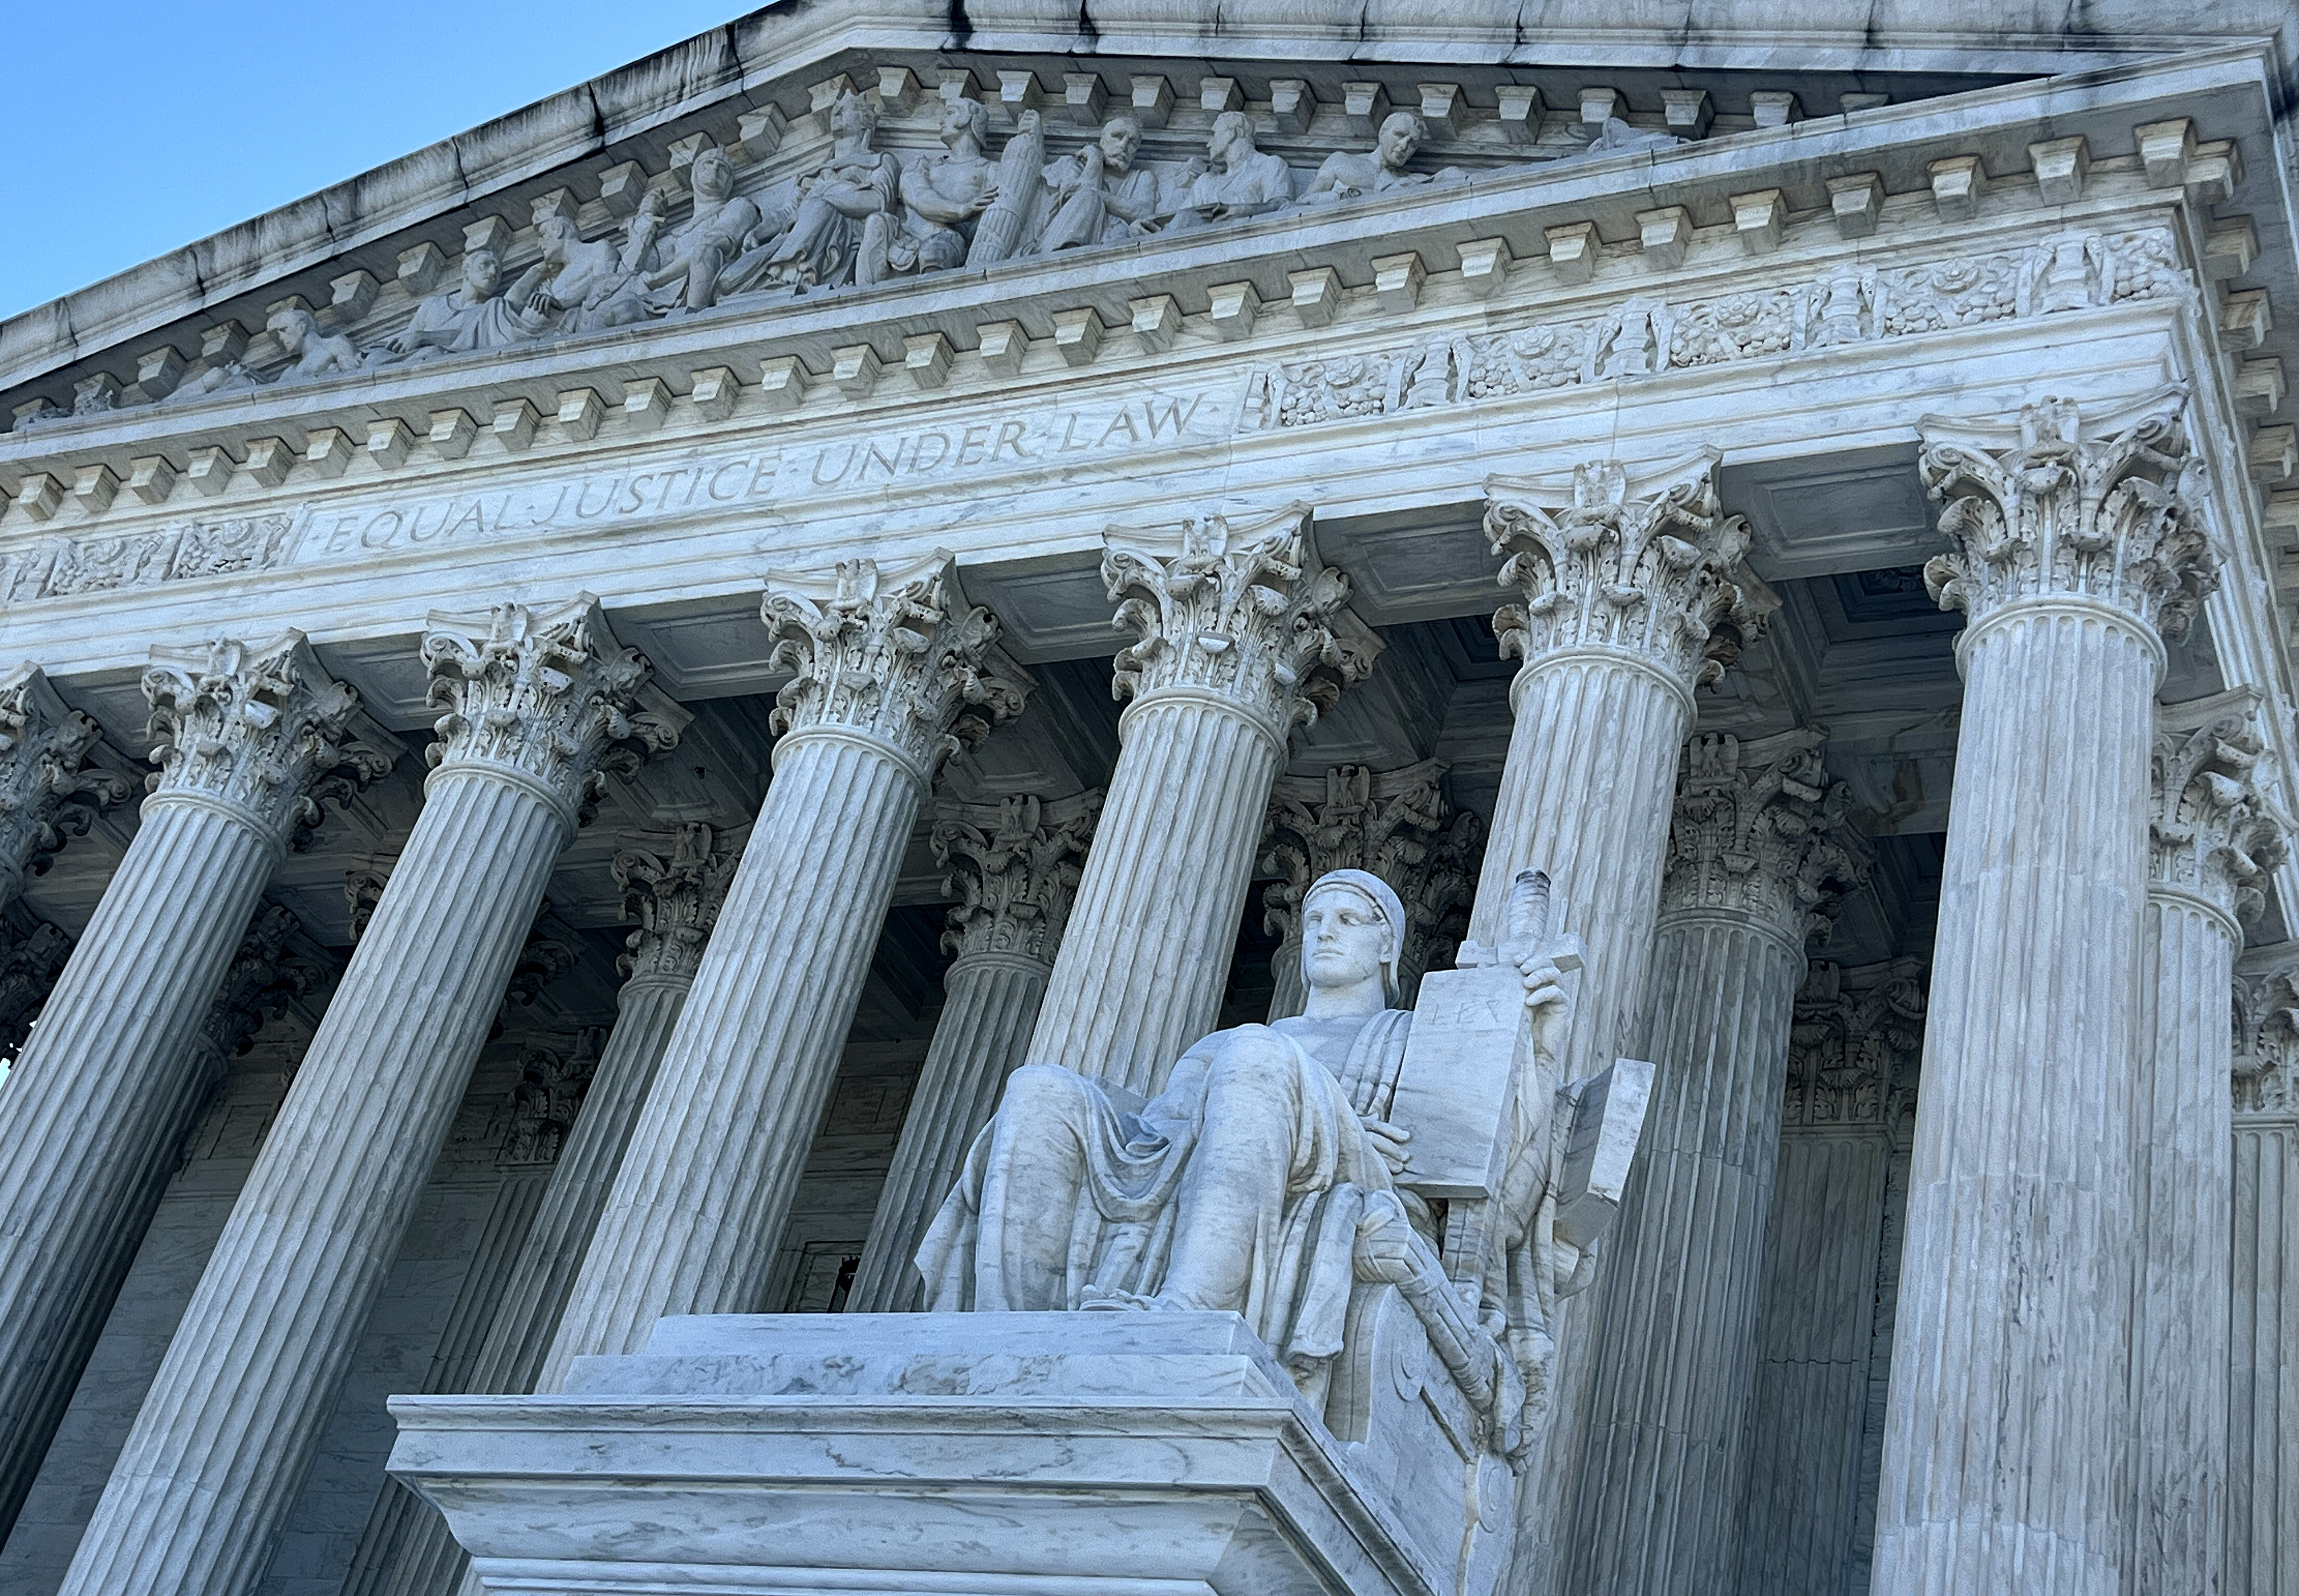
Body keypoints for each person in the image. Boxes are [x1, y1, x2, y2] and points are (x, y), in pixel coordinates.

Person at [919, 867, 1569, 1428]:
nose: (1323, 930)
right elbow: (1159, 1149)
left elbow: (1495, 1197)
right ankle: (1013, 1333)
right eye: (1312, 918)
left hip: (1358, 1182)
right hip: (1209, 1170)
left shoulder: (1412, 1037)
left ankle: (1190, 1310)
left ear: (1387, 946)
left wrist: (1534, 1052)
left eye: (1347, 918)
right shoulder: (1228, 1047)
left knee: (1257, 1054)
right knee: (1040, 1088)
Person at [859, 96, 997, 285]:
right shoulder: (923, 165)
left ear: (967, 119)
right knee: (877, 221)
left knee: (936, 250)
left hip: (949, 239)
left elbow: (994, 215)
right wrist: (961, 209)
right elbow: (917, 196)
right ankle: (863, 297)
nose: (942, 121)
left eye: (950, 114)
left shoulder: (990, 170)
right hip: (908, 234)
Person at [368, 247, 537, 363]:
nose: (493, 273)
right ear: (466, 272)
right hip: (409, 366)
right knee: (374, 358)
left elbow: (465, 337)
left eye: (498, 271)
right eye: (485, 265)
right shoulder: (434, 304)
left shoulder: (491, 311)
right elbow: (405, 337)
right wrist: (367, 350)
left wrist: (425, 337)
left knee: (432, 352)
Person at [1035, 112, 1160, 253]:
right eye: (1117, 137)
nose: (1123, 146)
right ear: (1102, 141)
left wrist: (1099, 195)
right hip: (1054, 242)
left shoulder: (1143, 177)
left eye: (1132, 143)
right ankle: (1068, 255)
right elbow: (1081, 195)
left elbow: (1142, 211)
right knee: (1089, 197)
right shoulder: (1072, 165)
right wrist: (1095, 160)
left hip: (1112, 248)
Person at [1160, 109, 1294, 232]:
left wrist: (1247, 210)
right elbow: (1180, 219)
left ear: (1233, 133)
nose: (1209, 144)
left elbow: (1282, 205)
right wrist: (1154, 223)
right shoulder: (1206, 182)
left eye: (1215, 134)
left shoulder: (1269, 165)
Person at [1299, 111, 1461, 204]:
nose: (1404, 146)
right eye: (1399, 135)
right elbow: (1304, 202)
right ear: (1383, 132)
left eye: (1412, 144)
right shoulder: (1342, 161)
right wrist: (1343, 196)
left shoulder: (1412, 180)